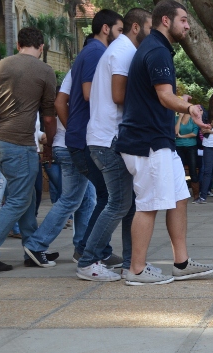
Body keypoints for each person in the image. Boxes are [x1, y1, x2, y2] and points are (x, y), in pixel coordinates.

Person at [115, 0, 213, 285]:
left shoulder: (155, 49)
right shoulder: (158, 50)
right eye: (184, 20)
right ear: (165, 20)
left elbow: (161, 96)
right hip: (147, 142)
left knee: (178, 198)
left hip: (159, 140)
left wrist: (180, 102)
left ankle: (181, 263)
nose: (187, 26)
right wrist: (189, 109)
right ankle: (136, 270)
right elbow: (163, 95)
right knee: (149, 204)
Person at [70, 8, 153, 281]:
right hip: (108, 140)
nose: (153, 34)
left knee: (127, 204)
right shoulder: (123, 51)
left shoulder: (121, 49)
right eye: (150, 27)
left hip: (108, 139)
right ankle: (88, 261)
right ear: (136, 28)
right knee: (119, 203)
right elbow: (119, 96)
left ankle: (132, 264)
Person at [66, 9, 125, 272]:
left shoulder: (88, 52)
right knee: (112, 198)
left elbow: (62, 98)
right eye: (120, 30)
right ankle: (88, 252)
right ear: (105, 29)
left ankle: (94, 249)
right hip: (87, 139)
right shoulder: (96, 53)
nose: (121, 36)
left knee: (106, 196)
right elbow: (90, 94)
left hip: (81, 136)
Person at [22, 71, 97, 269]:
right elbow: (57, 109)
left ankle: (83, 248)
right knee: (71, 199)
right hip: (72, 147)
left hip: (68, 146)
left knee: (87, 199)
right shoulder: (85, 76)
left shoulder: (75, 75)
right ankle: (36, 244)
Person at [0, 27, 57, 272]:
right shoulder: (45, 71)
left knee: (27, 197)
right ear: (41, 47)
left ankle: (33, 248)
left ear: (18, 44)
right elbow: (49, 117)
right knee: (19, 199)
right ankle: (32, 246)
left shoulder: (2, 65)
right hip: (19, 142)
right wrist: (50, 145)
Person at [175, 95, 201, 199]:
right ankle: (180, 194)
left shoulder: (193, 119)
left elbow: (194, 133)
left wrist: (181, 136)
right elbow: (175, 132)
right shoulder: (176, 118)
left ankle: (196, 195)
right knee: (179, 170)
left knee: (193, 170)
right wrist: (180, 117)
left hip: (191, 147)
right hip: (179, 147)